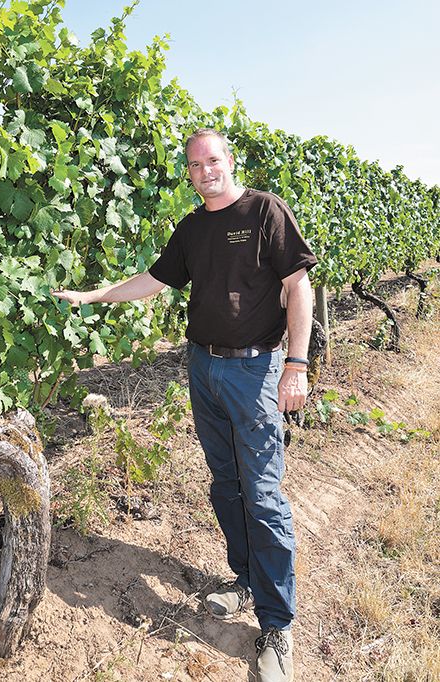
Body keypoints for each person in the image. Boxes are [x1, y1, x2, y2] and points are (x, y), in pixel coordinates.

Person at [53, 128, 317, 682]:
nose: (205, 171)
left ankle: (276, 625)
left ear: (229, 161)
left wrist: (296, 364)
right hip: (204, 366)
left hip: (256, 369)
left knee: (263, 493)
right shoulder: (194, 227)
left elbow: (299, 287)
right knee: (225, 482)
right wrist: (96, 295)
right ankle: (244, 579)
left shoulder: (266, 211)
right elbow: (154, 279)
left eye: (213, 161)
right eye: (195, 165)